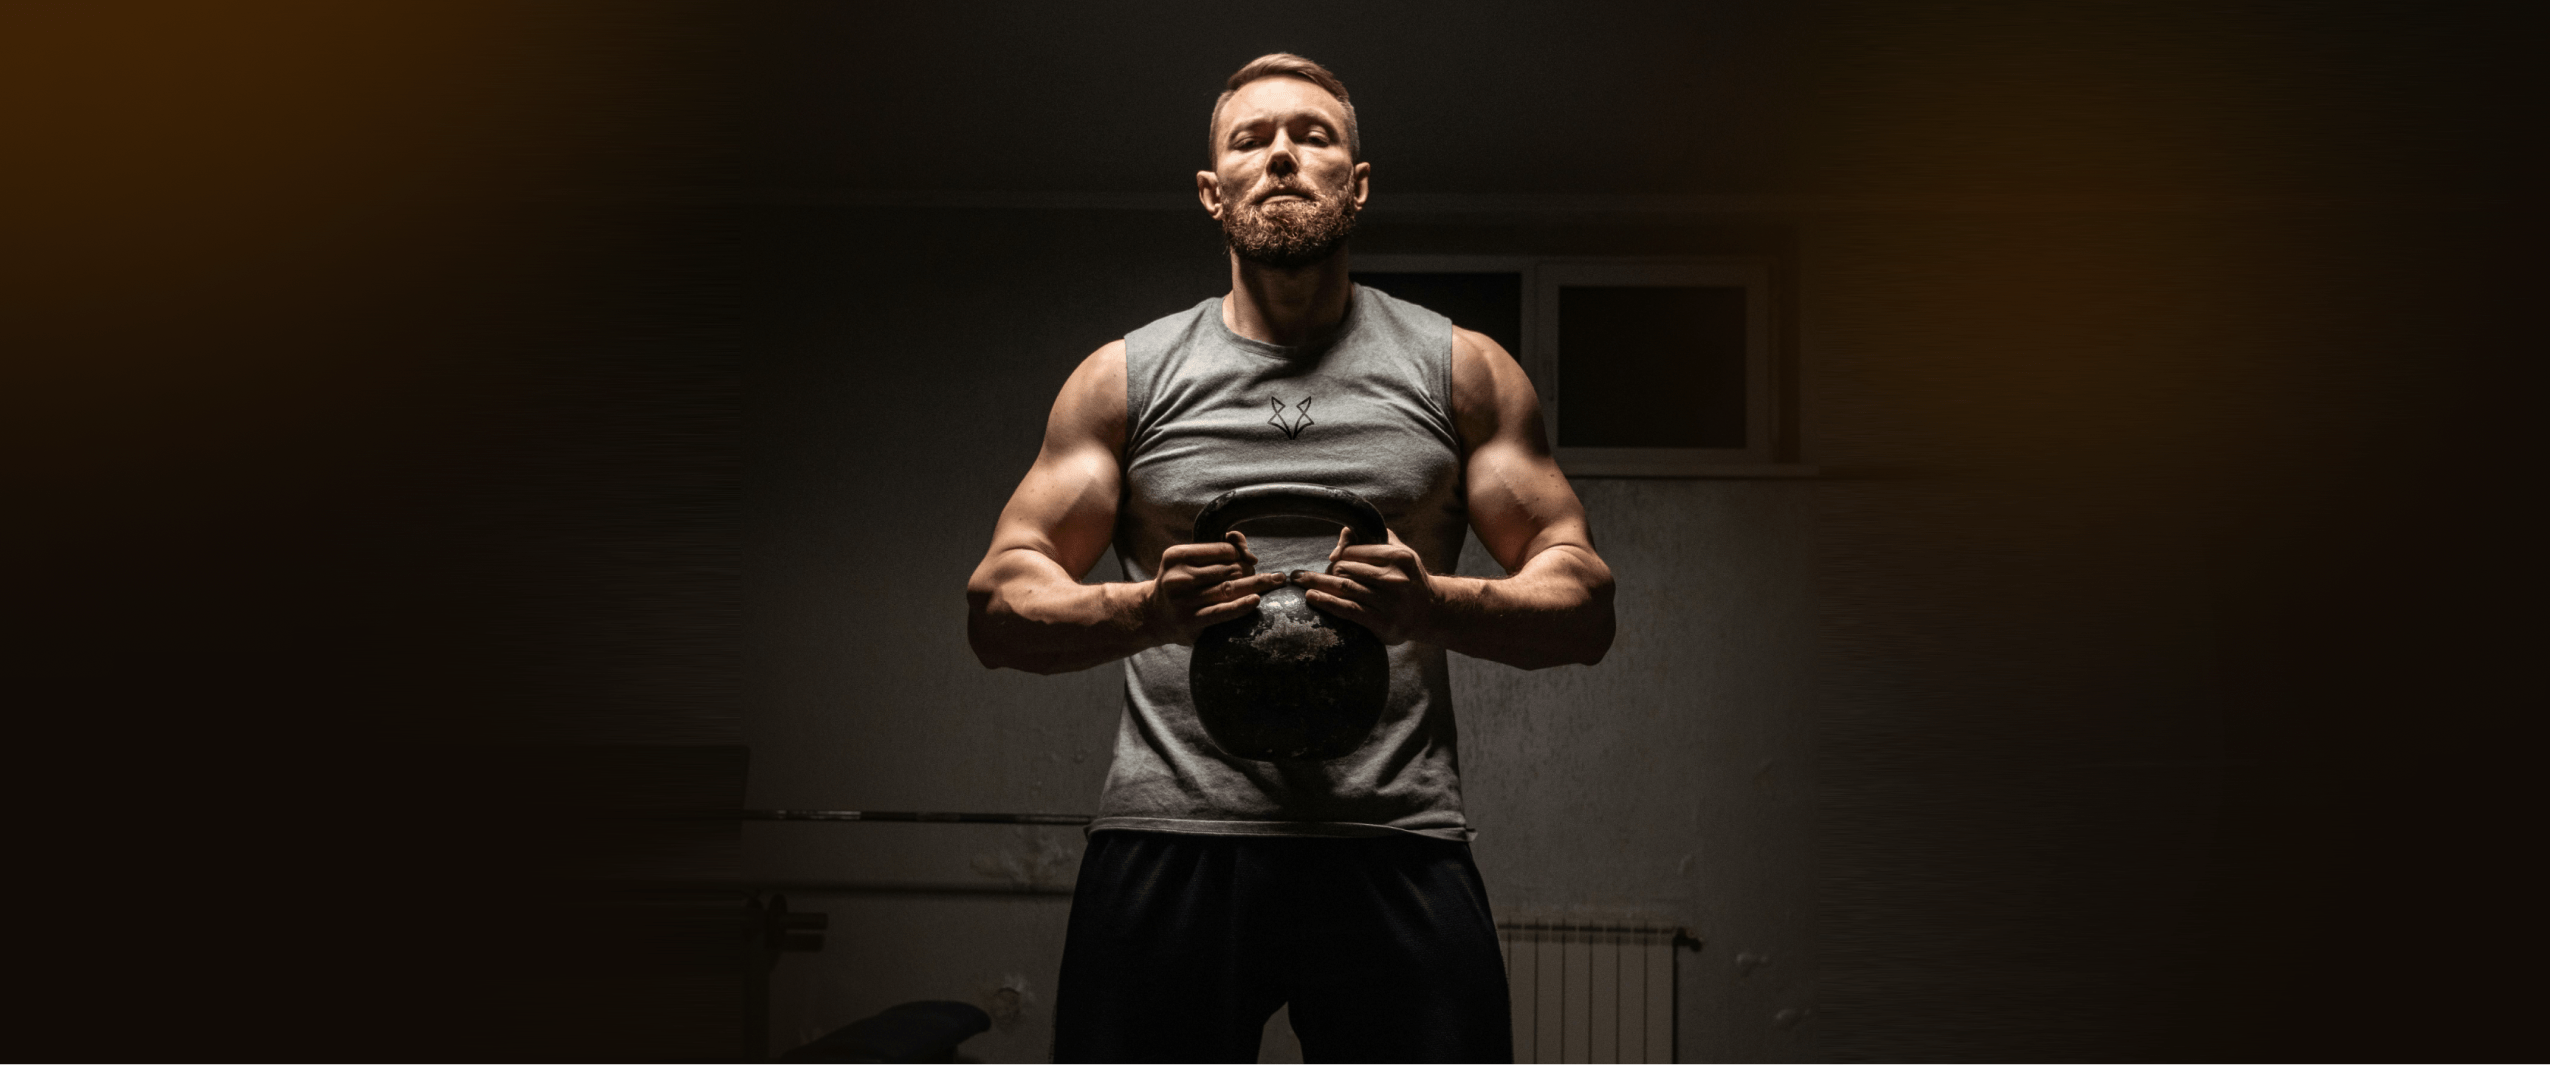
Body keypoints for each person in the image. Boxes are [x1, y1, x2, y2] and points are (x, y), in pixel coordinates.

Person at [963, 52, 1616, 1065]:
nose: (1280, 157)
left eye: (1312, 137)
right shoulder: (1124, 381)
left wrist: (1432, 605)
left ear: (1355, 183)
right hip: (1173, 839)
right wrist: (1147, 612)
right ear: (1211, 192)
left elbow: (1582, 603)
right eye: (1249, 140)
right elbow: (1000, 605)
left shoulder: (1463, 369)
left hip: (1391, 839)